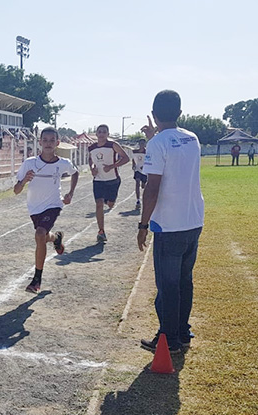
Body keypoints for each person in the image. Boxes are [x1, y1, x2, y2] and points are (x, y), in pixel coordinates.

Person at [137, 90, 204, 355]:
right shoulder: (193, 138)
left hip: (169, 224)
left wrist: (143, 225)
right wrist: (155, 137)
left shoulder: (157, 144)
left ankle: (168, 338)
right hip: (193, 219)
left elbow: (152, 188)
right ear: (180, 112)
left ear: (154, 114)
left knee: (168, 285)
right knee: (184, 281)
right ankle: (182, 332)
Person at [14, 127, 79, 293]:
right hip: (34, 207)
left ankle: (36, 279)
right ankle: (56, 238)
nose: (48, 143)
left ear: (57, 143)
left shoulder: (63, 163)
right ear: (40, 142)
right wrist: (24, 181)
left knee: (39, 234)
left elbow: (75, 173)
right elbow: (16, 190)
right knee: (43, 235)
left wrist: (70, 193)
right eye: (45, 140)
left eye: (52, 140)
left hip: (54, 205)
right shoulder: (30, 163)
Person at [88, 124, 130, 242]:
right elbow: (91, 159)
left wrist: (112, 166)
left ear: (108, 134)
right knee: (99, 204)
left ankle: (108, 200)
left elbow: (126, 158)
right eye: (99, 132)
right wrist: (92, 168)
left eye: (104, 132)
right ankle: (101, 231)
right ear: (96, 134)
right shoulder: (91, 148)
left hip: (113, 180)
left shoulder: (113, 145)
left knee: (110, 204)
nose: (101, 134)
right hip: (98, 180)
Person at [131, 138, 148, 210]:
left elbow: (149, 160)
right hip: (137, 170)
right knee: (137, 182)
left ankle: (144, 187)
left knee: (143, 186)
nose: (142, 145)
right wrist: (133, 165)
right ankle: (138, 200)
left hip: (144, 170)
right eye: (140, 143)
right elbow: (133, 158)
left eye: (143, 144)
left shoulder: (147, 152)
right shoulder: (134, 152)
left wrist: (145, 166)